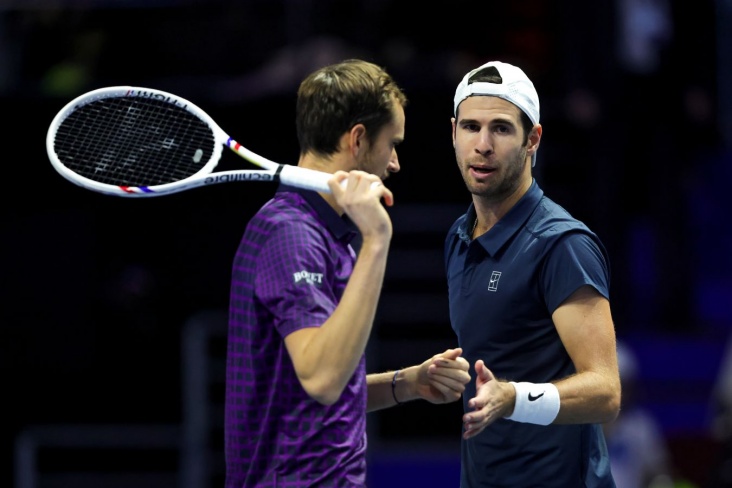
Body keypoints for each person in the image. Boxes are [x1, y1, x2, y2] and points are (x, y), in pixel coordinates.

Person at [224, 59, 471, 487]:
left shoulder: (323, 232)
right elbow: (322, 379)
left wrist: (408, 383)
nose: (395, 163)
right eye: (392, 144)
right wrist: (377, 238)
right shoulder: (291, 234)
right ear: (357, 139)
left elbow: (319, 393)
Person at [445, 60, 622, 487]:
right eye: (471, 127)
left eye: (501, 129)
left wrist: (513, 398)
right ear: (453, 133)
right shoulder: (458, 236)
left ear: (533, 140)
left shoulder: (562, 245)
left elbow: (605, 392)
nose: (482, 145)